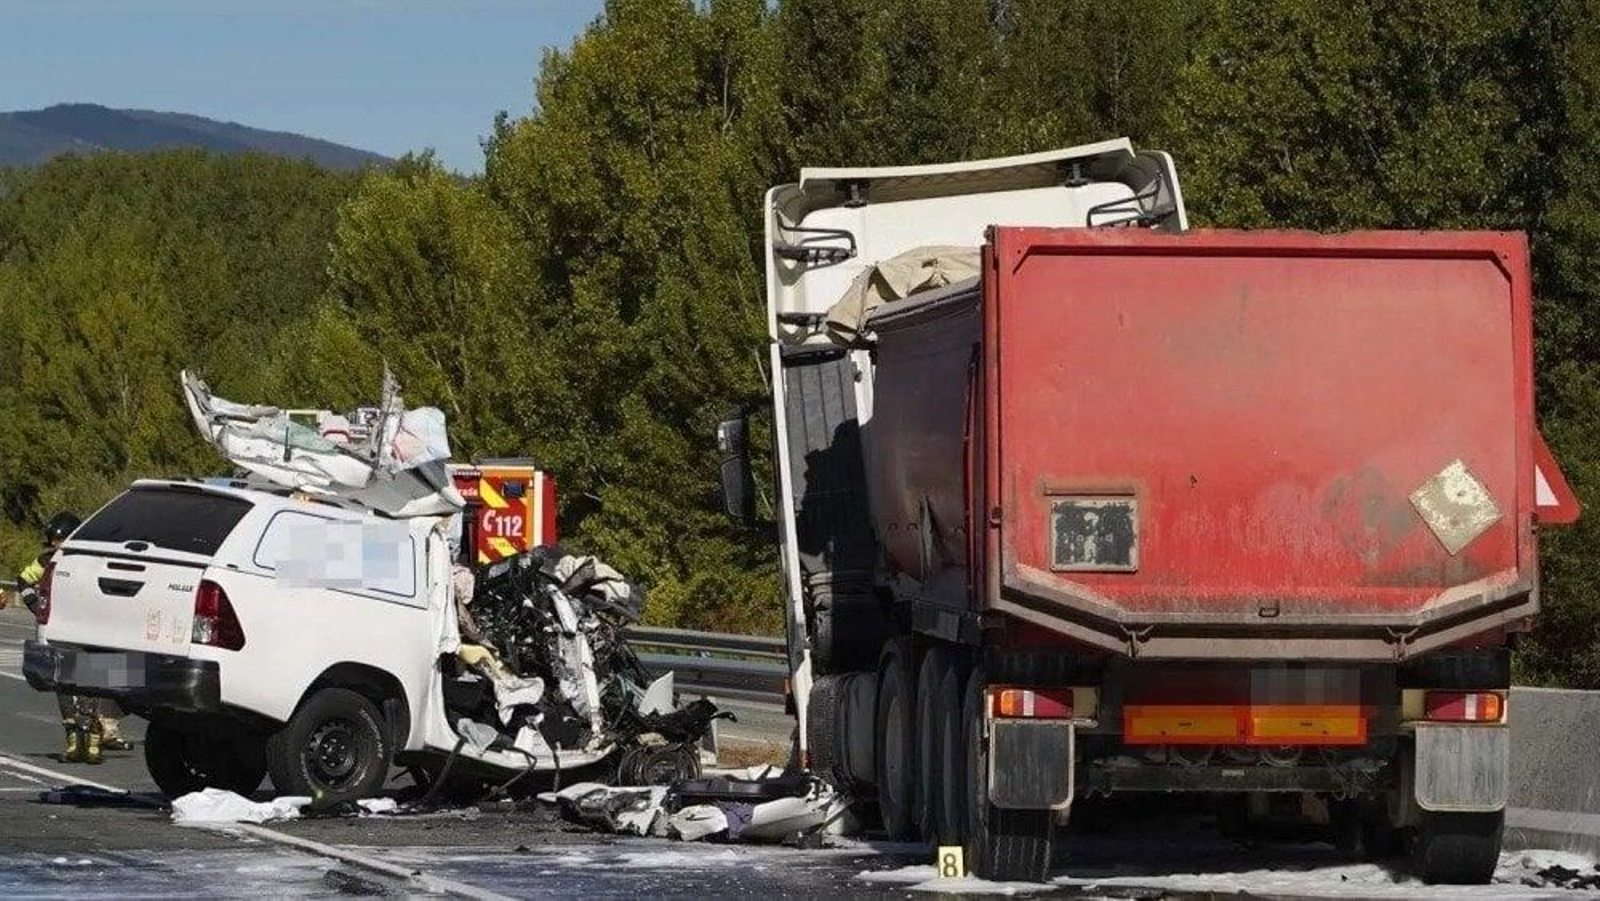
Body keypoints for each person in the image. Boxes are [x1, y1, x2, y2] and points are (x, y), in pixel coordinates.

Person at [14, 512, 130, 764]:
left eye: (59, 540)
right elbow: (23, 579)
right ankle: (74, 739)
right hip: (57, 629)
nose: (56, 545)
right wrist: (36, 604)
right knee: (63, 683)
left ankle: (95, 736)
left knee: (89, 680)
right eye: (54, 541)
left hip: (87, 629)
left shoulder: (91, 561)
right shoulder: (46, 561)